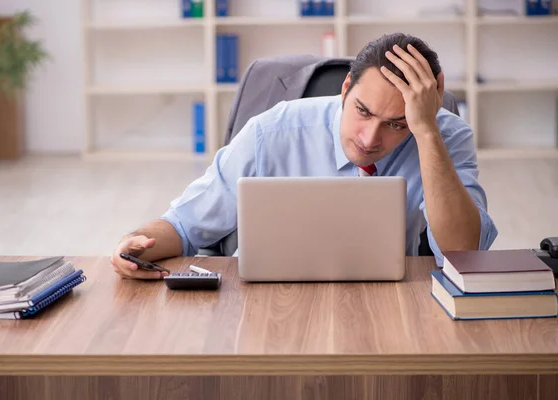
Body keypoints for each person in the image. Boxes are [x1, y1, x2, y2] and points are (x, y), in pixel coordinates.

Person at [110, 32, 498, 280]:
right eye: (362, 111)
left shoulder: (444, 135)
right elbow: (183, 225)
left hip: (389, 307)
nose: (369, 138)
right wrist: (135, 243)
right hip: (268, 307)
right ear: (346, 88)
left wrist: (426, 131)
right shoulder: (271, 130)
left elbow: (464, 252)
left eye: (397, 124)